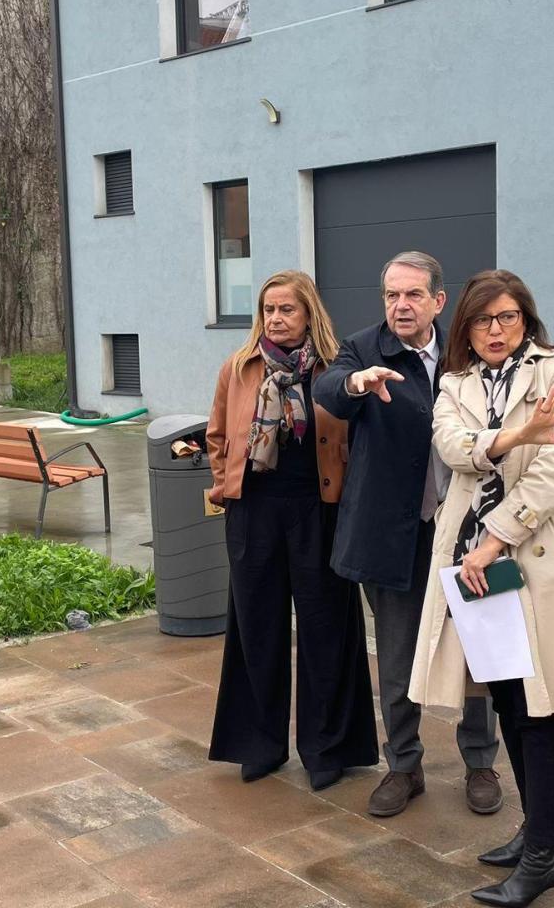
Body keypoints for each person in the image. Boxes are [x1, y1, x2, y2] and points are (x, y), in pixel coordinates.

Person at [404, 270, 554, 908]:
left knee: (540, 708)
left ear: (525, 319)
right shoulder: (454, 382)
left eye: (507, 317)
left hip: (532, 560)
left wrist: (496, 536)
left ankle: (546, 854)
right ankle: (535, 832)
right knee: (507, 701)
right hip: (477, 570)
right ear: (465, 327)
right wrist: (514, 437)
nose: (495, 331)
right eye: (482, 320)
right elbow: (450, 445)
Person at [314, 251, 504, 819]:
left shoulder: (463, 352)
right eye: (392, 295)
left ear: (438, 302)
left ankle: (480, 762)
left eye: (413, 295)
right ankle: (404, 765)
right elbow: (327, 388)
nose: (401, 305)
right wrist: (355, 384)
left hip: (466, 531)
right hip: (392, 533)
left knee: (476, 649)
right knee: (397, 657)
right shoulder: (362, 349)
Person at [204, 270, 379, 791]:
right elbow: (216, 434)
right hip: (253, 513)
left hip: (319, 512)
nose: (276, 320)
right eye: (268, 311)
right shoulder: (238, 370)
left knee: (328, 630)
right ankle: (259, 744)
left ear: (309, 315)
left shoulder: (331, 371)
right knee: (257, 628)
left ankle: (328, 748)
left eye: (287, 310)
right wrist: (225, 480)